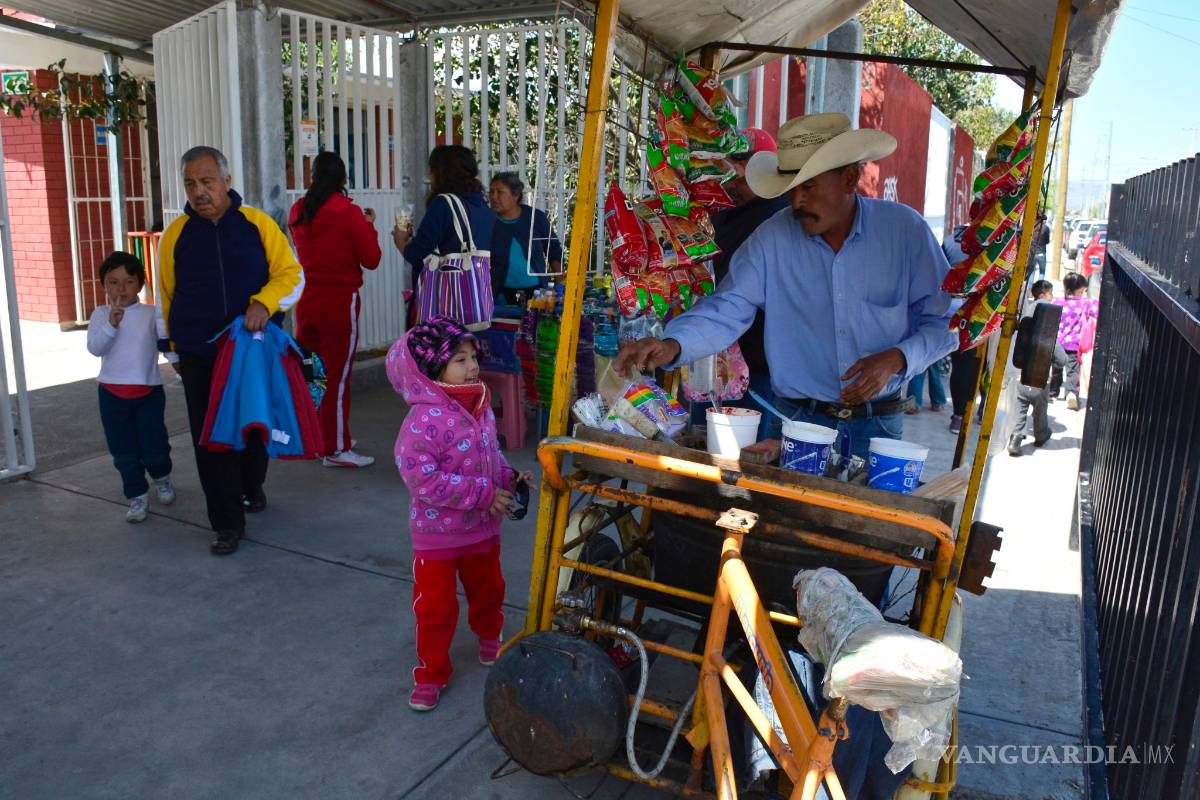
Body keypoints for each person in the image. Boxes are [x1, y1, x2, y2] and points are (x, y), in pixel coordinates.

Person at [615, 113, 957, 459]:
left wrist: (897, 358)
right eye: (792, 189)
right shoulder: (771, 239)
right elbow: (729, 307)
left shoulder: (904, 233)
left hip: (877, 423)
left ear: (849, 178)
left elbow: (948, 322)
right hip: (795, 420)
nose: (796, 203)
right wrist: (674, 344)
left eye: (809, 187)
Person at [157, 145, 304, 556]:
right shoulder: (174, 236)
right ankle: (225, 523)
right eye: (190, 184)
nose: (199, 191)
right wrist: (172, 351)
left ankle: (251, 487)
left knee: (253, 429)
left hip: (252, 353)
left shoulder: (257, 224)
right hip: (199, 353)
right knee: (210, 440)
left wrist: (264, 302)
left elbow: (292, 276)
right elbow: (164, 298)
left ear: (227, 181)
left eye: (207, 182)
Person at [387, 317, 533, 712]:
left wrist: (507, 476)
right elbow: (423, 480)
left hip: (483, 530)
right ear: (431, 368)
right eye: (459, 359)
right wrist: (484, 493)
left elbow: (491, 455)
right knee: (435, 607)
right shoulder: (422, 420)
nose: (472, 366)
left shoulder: (480, 403)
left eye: (473, 357)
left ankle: (489, 635)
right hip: (437, 536)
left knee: (489, 589)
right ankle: (431, 672)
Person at [288, 152, 382, 469]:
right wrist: (369, 226)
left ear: (312, 176)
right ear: (343, 179)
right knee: (337, 378)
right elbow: (371, 258)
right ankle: (336, 448)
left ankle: (319, 438)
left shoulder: (298, 210)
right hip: (339, 302)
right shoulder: (348, 212)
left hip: (307, 302)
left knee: (315, 376)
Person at [704, 127, 789, 439]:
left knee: (746, 456)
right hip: (715, 352)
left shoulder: (782, 214)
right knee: (706, 444)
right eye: (729, 170)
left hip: (759, 364)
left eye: (742, 171)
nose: (733, 181)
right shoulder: (721, 212)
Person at [87, 251, 175, 523]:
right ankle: (137, 496)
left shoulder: (150, 314)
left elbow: (166, 344)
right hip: (112, 395)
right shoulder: (100, 314)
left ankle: (162, 478)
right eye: (113, 282)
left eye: (128, 281)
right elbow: (95, 348)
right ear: (103, 285)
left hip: (148, 393)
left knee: (155, 446)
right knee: (123, 451)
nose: (120, 288)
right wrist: (112, 324)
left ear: (140, 284)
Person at [392, 145, 496, 321]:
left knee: (440, 347)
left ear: (441, 172)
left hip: (446, 306)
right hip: (476, 300)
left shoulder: (443, 204)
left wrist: (401, 241)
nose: (430, 178)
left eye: (431, 171)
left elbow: (416, 254)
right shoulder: (482, 205)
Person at [487, 171, 562, 305]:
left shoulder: (535, 218)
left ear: (515, 195)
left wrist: (559, 287)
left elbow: (554, 251)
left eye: (500, 192)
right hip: (500, 294)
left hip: (538, 293)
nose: (493, 197)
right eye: (491, 192)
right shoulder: (487, 222)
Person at [1008, 280, 1057, 456]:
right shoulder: (1048, 321)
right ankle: (1041, 435)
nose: (1053, 297)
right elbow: (1056, 351)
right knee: (1040, 409)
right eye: (1051, 293)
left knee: (1020, 406)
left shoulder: (1026, 316)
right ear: (1044, 295)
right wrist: (1061, 362)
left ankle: (1016, 437)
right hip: (1040, 376)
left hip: (1022, 371)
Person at [942, 224, 980, 434]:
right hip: (978, 310)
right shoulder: (993, 237)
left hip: (952, 306)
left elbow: (939, 270)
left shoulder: (951, 239)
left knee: (962, 365)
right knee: (978, 365)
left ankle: (958, 416)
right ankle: (974, 411)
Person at [1052, 271, 1099, 410]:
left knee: (1056, 368)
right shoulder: (1085, 304)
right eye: (1084, 290)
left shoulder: (1057, 302)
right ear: (1080, 290)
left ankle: (1053, 392)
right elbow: (1099, 309)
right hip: (1074, 344)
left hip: (1057, 343)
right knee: (1073, 370)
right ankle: (1071, 393)